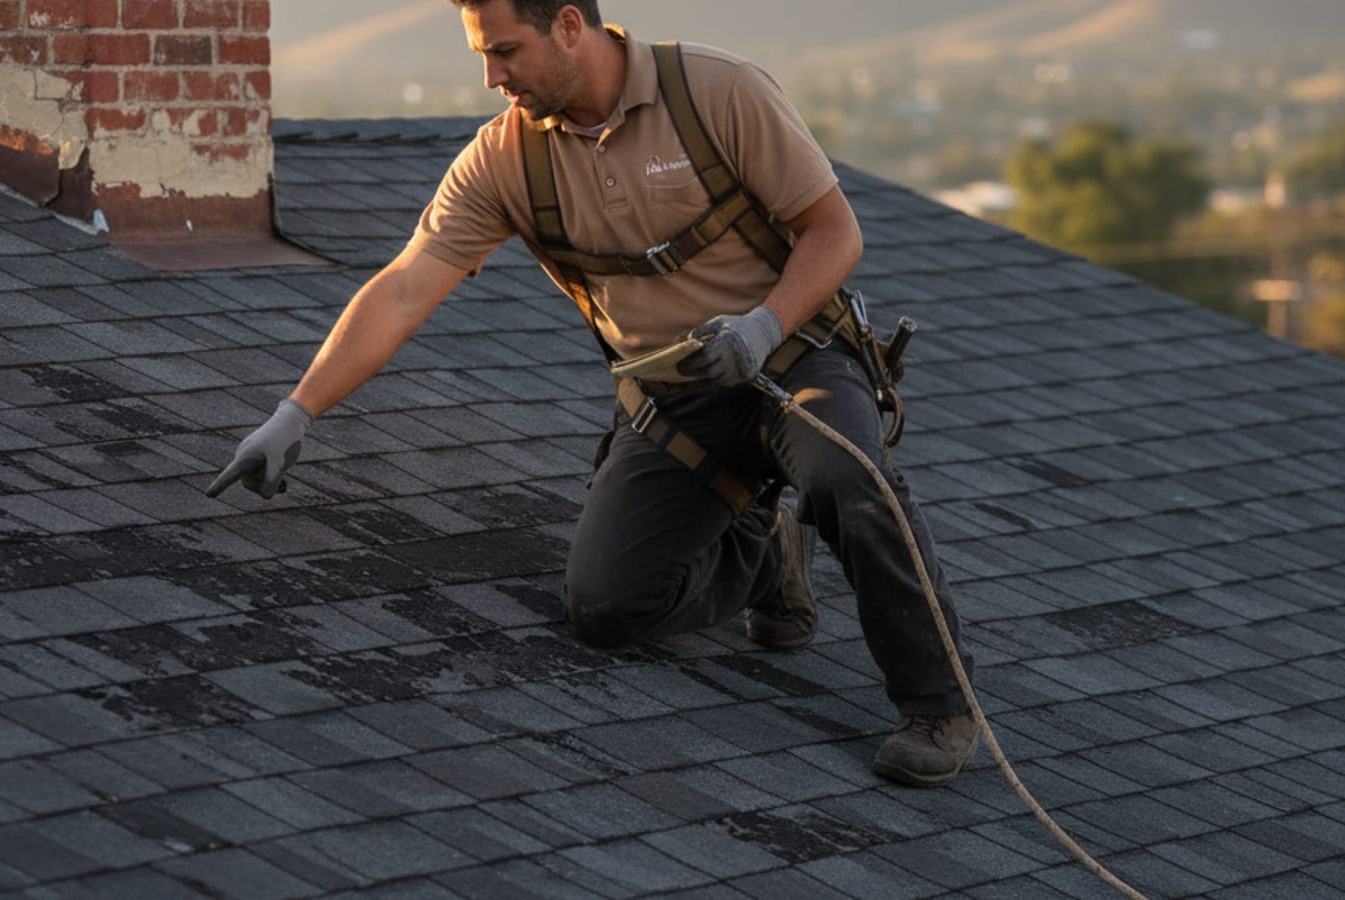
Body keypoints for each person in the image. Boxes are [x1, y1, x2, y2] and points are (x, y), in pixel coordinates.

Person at [208, 0, 978, 787]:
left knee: (849, 474)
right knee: (607, 609)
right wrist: (296, 411)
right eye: (482, 53)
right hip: (677, 398)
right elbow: (406, 288)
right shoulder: (505, 159)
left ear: (570, 25)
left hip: (795, 358)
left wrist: (761, 327)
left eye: (505, 50)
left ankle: (939, 707)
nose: (490, 75)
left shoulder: (718, 92)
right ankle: (767, 550)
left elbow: (834, 230)